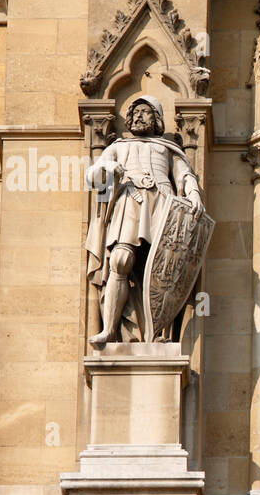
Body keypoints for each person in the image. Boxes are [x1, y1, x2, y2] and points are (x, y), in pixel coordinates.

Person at [85, 95, 204, 346]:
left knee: (164, 269)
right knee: (120, 259)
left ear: (157, 118)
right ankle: (109, 329)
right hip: (130, 199)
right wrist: (107, 169)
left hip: (162, 202)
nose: (138, 116)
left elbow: (185, 175)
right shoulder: (118, 147)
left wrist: (194, 193)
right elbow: (92, 176)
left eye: (145, 111)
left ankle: (160, 333)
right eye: (135, 111)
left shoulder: (168, 148)